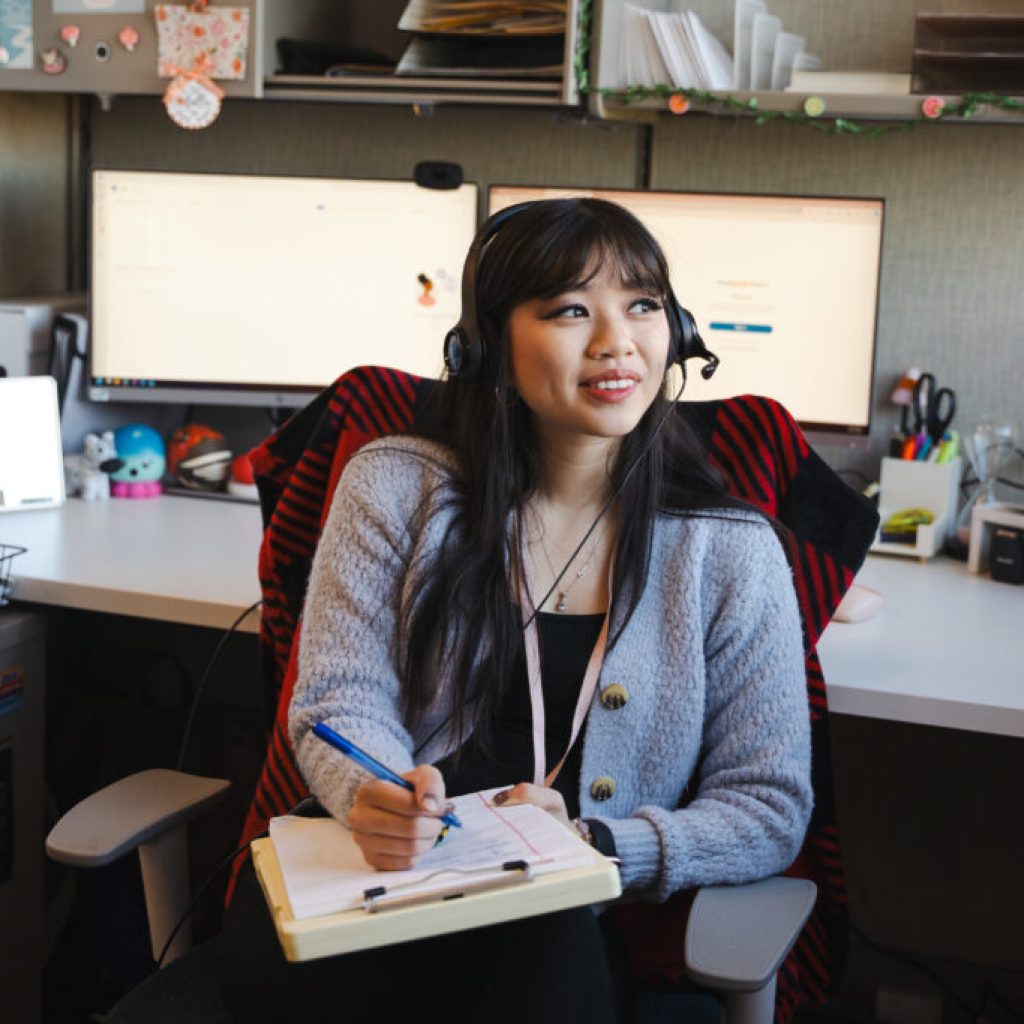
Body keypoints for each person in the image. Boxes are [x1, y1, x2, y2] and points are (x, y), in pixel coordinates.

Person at [218, 198, 811, 1024]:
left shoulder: (731, 552)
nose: (616, 342)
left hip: (548, 925)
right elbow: (335, 704)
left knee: (537, 944)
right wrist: (372, 792)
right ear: (490, 348)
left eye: (642, 306)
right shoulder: (392, 486)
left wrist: (598, 846)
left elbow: (767, 808)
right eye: (571, 309)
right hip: (370, 895)